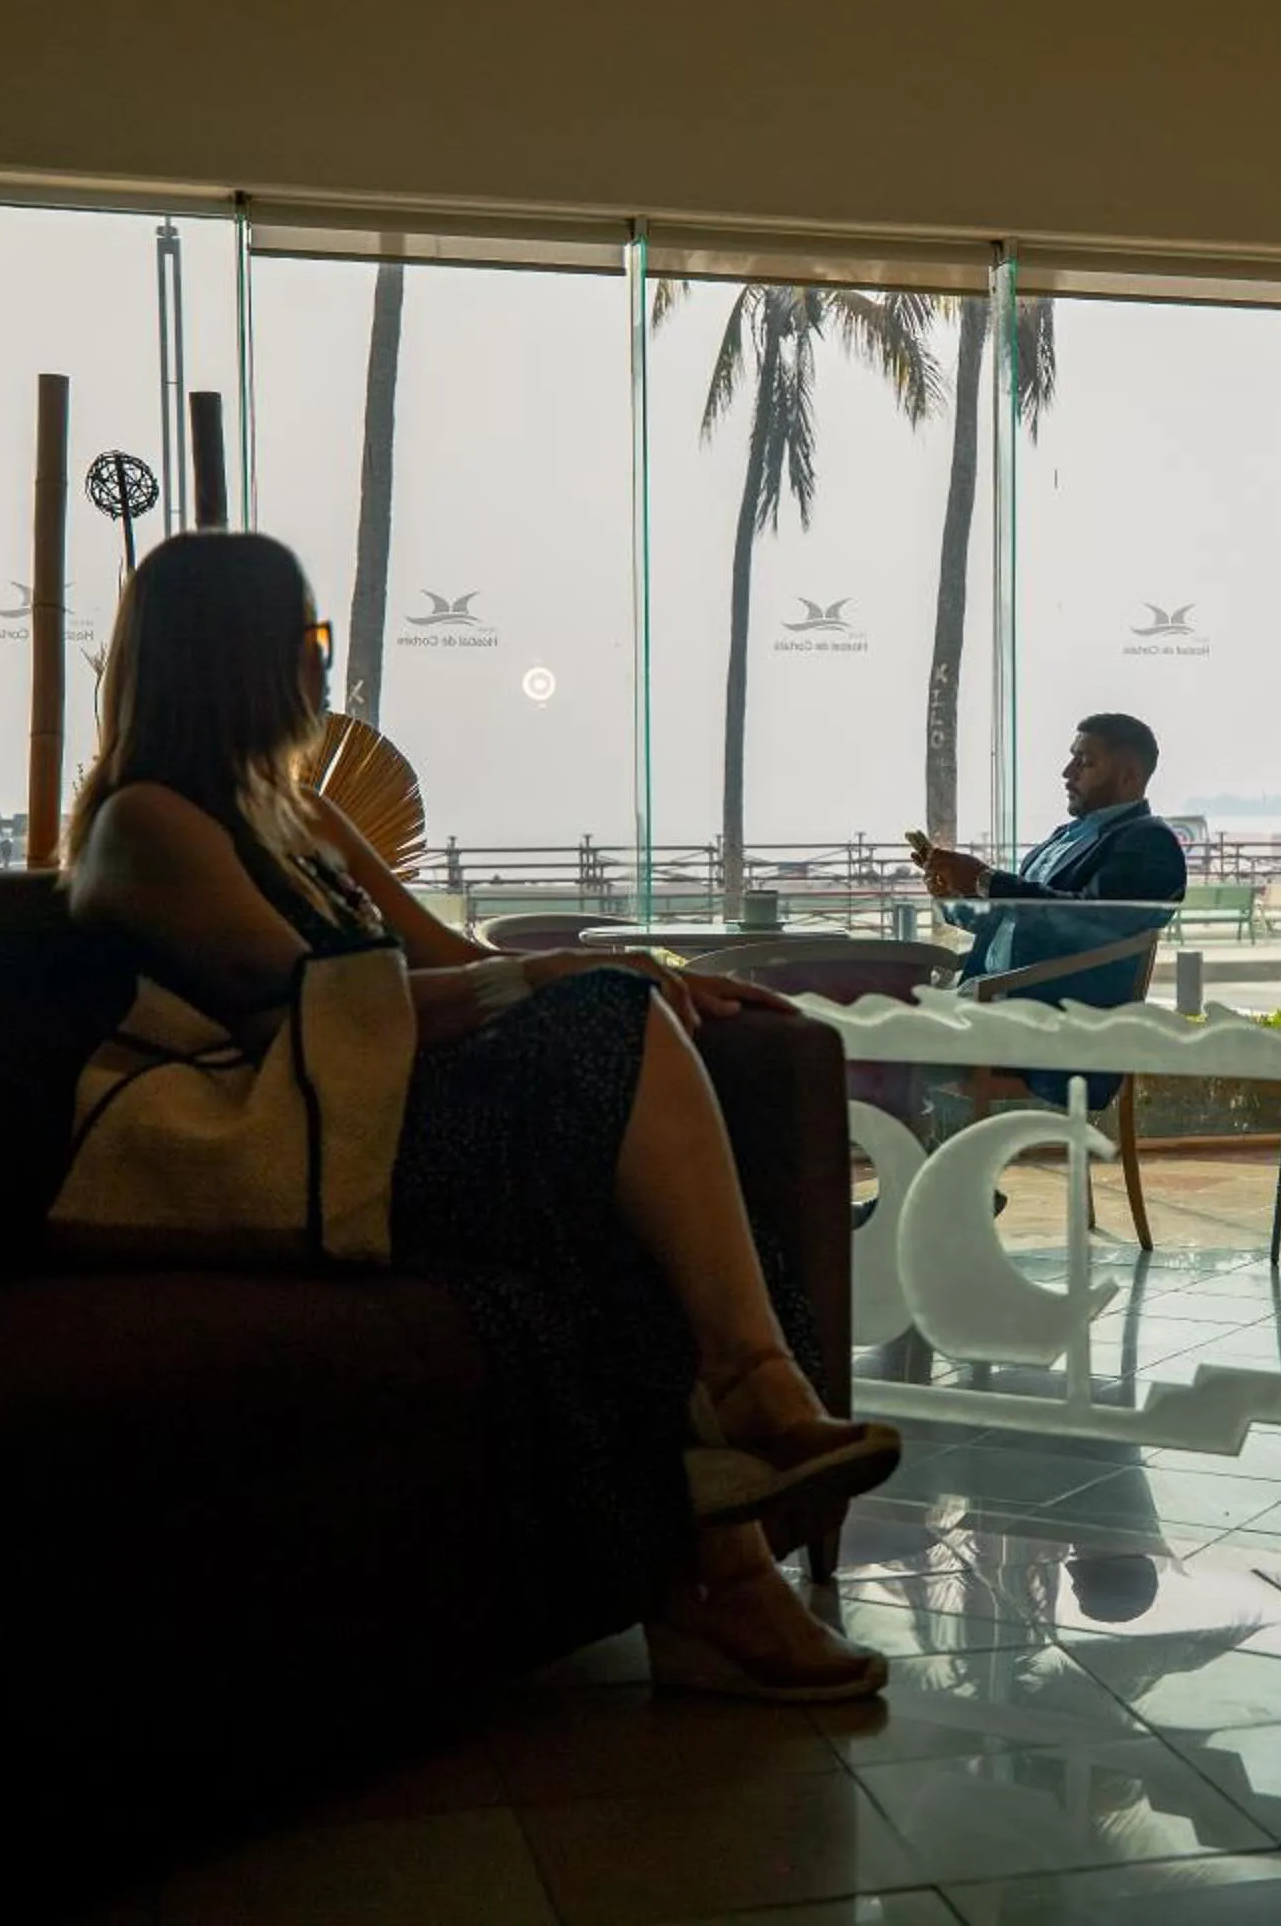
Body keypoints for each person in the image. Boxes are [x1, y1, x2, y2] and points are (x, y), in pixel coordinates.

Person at [62, 532, 898, 1704]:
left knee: (617, 1211)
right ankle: (745, 1438)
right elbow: (312, 1003)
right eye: (304, 639)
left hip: (391, 1129)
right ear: (231, 655)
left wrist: (642, 969)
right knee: (602, 1067)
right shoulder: (145, 822)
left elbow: (451, 958)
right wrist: (558, 986)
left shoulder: (297, 814)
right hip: (308, 1152)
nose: (320, 664)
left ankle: (727, 1551)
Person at [914, 713, 1188, 1106]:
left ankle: (911, 1153)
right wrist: (956, 897)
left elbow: (1089, 921)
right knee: (870, 1025)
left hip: (1053, 1022)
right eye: (1072, 758)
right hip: (993, 1002)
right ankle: (916, 1150)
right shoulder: (1067, 837)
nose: (1067, 772)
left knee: (879, 1041)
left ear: (1129, 776)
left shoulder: (1149, 843)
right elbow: (1020, 919)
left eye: (1085, 763)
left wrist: (986, 880)